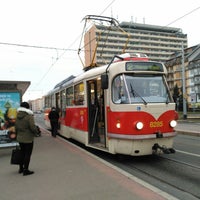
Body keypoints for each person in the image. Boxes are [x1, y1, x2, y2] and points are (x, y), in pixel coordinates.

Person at [15, 102, 38, 176]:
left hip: (20, 138)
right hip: (28, 138)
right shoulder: (29, 116)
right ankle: (26, 170)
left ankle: (21, 168)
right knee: (27, 154)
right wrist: (36, 133)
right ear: (27, 108)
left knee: (22, 153)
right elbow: (32, 127)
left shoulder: (17, 116)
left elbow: (16, 127)